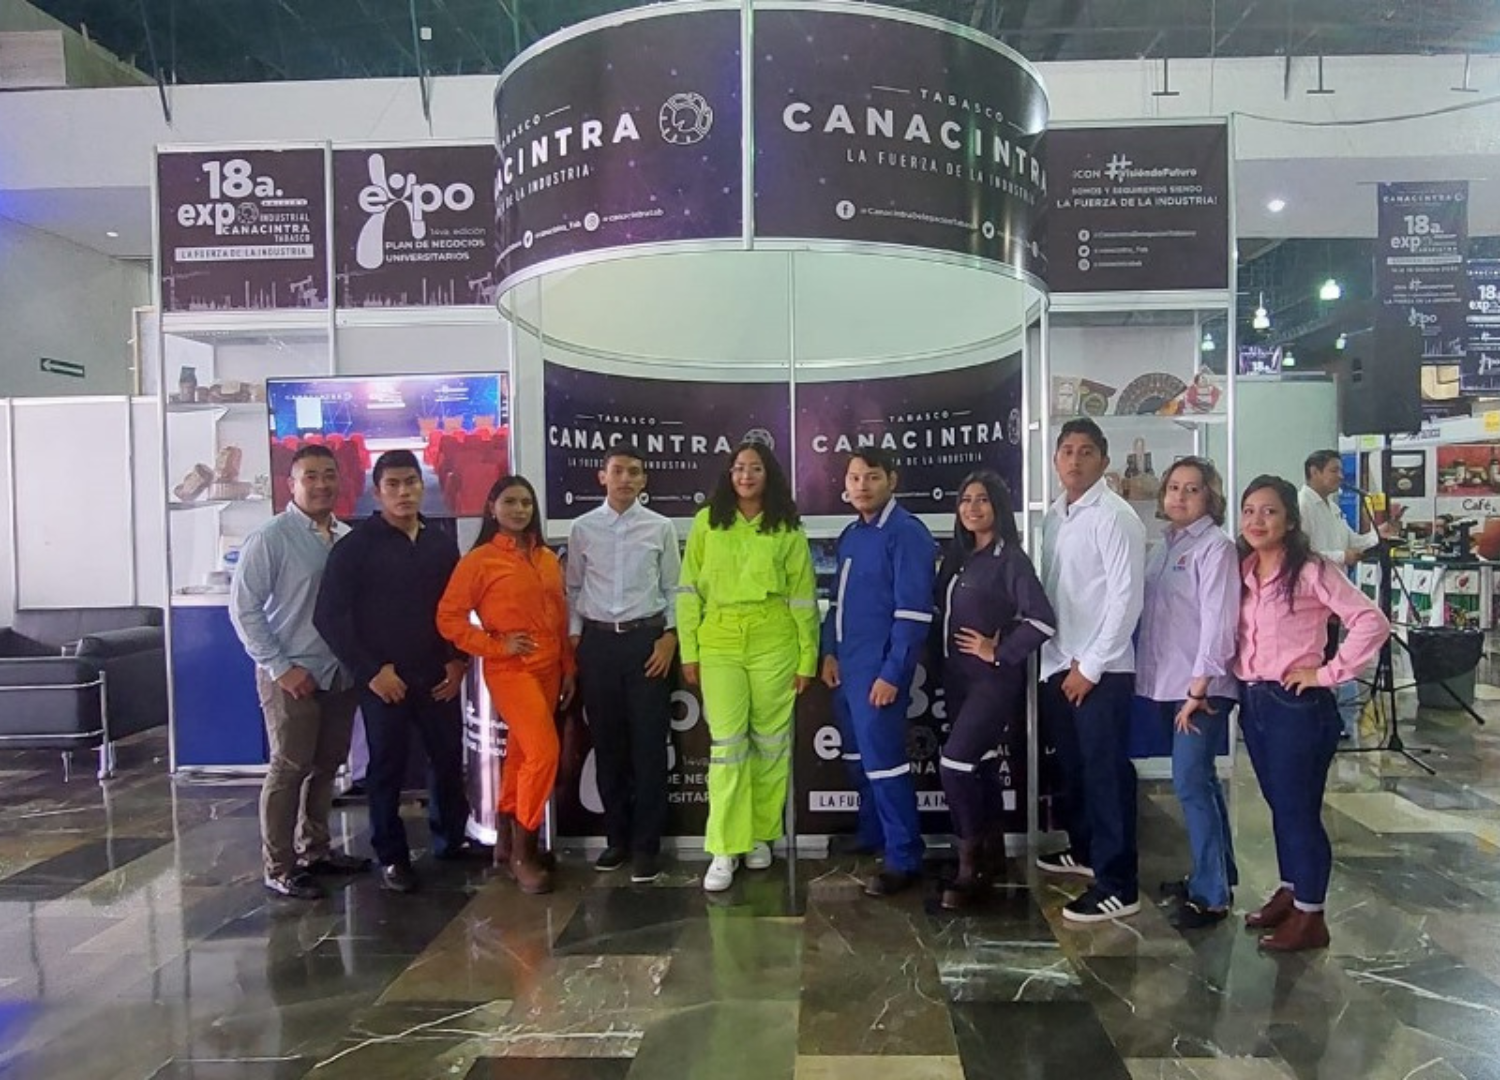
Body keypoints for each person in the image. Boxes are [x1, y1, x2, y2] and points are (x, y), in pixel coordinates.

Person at [1236, 475, 1389, 952]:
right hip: (1255, 701)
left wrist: (1327, 673)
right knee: (1280, 806)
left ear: (1290, 520)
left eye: (1269, 511)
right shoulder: (1244, 569)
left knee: (1299, 811)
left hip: (1296, 707)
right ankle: (1291, 890)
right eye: (1249, 511)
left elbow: (1371, 621)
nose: (1257, 520)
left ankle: (1311, 914)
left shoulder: (1310, 569)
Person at [314, 449, 476, 895]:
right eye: (393, 485)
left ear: (423, 485)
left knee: (447, 759)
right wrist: (371, 671)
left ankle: (451, 839)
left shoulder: (440, 543)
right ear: (377, 491)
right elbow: (330, 617)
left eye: (411, 482)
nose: (404, 492)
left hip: (437, 673)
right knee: (386, 768)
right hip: (384, 679)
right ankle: (392, 856)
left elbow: (455, 609)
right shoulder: (355, 548)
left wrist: (458, 660)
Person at [229, 444, 368, 900]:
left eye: (329, 474)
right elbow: (244, 610)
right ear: (291, 484)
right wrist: (280, 667)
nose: (322, 484)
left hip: (338, 674)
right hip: (292, 676)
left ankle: (316, 851)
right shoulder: (271, 538)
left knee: (326, 766)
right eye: (311, 476)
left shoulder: (346, 537)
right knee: (289, 767)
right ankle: (280, 865)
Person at [678, 442, 818, 892]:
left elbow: (803, 597)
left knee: (771, 744)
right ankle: (724, 847)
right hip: (719, 640)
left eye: (755, 468)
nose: (746, 475)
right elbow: (687, 591)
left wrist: (807, 657)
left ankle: (760, 835)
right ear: (728, 473)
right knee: (728, 745)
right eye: (738, 467)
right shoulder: (706, 522)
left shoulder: (787, 527)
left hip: (773, 640)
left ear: (768, 475)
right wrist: (689, 651)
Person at [436, 476, 575, 895]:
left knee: (521, 756)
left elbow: (559, 616)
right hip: (511, 670)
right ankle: (524, 853)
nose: (519, 510)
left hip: (550, 669)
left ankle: (506, 842)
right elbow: (449, 618)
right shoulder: (479, 561)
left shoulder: (546, 557)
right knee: (544, 753)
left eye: (526, 503)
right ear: (492, 507)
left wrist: (568, 667)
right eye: (510, 502)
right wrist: (495, 645)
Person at [1037, 418, 1146, 923]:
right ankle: (1084, 851)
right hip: (1059, 664)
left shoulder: (1116, 517)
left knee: (1106, 775)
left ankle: (1119, 884)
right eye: (1067, 451)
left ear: (1104, 460)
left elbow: (1126, 600)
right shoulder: (1055, 516)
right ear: (1055, 459)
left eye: (1086, 451)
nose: (1075, 460)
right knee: (1074, 769)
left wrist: (1092, 665)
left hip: (1101, 670)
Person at [933, 470, 1055, 910]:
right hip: (957, 679)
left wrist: (998, 650)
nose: (972, 507)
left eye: (982, 499)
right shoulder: (960, 557)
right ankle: (993, 854)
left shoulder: (1011, 560)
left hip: (992, 681)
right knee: (979, 764)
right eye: (966, 499)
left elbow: (1042, 620)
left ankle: (969, 869)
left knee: (953, 765)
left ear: (998, 506)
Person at [820, 448, 936, 897]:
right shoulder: (852, 534)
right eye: (854, 478)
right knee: (857, 758)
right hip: (846, 667)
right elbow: (837, 602)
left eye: (872, 476)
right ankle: (871, 833)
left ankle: (904, 857)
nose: (862, 485)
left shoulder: (907, 534)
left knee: (885, 765)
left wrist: (892, 674)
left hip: (879, 670)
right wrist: (829, 652)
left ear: (892, 479)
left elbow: (913, 615)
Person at [566, 443, 681, 884]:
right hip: (598, 645)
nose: (626, 479)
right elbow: (574, 588)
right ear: (603, 476)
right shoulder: (582, 528)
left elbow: (675, 589)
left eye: (634, 472)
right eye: (618, 471)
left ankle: (646, 846)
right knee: (608, 745)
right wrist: (576, 637)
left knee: (649, 748)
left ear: (644, 480)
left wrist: (670, 637)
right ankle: (616, 838)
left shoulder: (660, 527)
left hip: (647, 645)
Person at [1136, 457, 1240, 928]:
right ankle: (1216, 874)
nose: (1180, 496)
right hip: (1173, 682)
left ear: (1210, 497)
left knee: (1189, 783)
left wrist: (1201, 684)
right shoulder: (1164, 546)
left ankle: (1212, 895)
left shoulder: (1215, 548)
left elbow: (1219, 621)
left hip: (1202, 688)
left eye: (1192, 489)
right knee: (1201, 782)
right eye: (1173, 487)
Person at [1298, 449, 1404, 739]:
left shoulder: (1331, 507)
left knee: (1331, 650)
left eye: (1340, 471)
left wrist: (1379, 533)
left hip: (1334, 595)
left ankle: (1332, 720)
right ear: (1314, 471)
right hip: (1314, 596)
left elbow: (1353, 541)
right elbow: (1303, 554)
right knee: (1320, 654)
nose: (1340, 477)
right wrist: (1341, 556)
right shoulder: (1302, 506)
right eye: (1334, 470)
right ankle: (1319, 720)